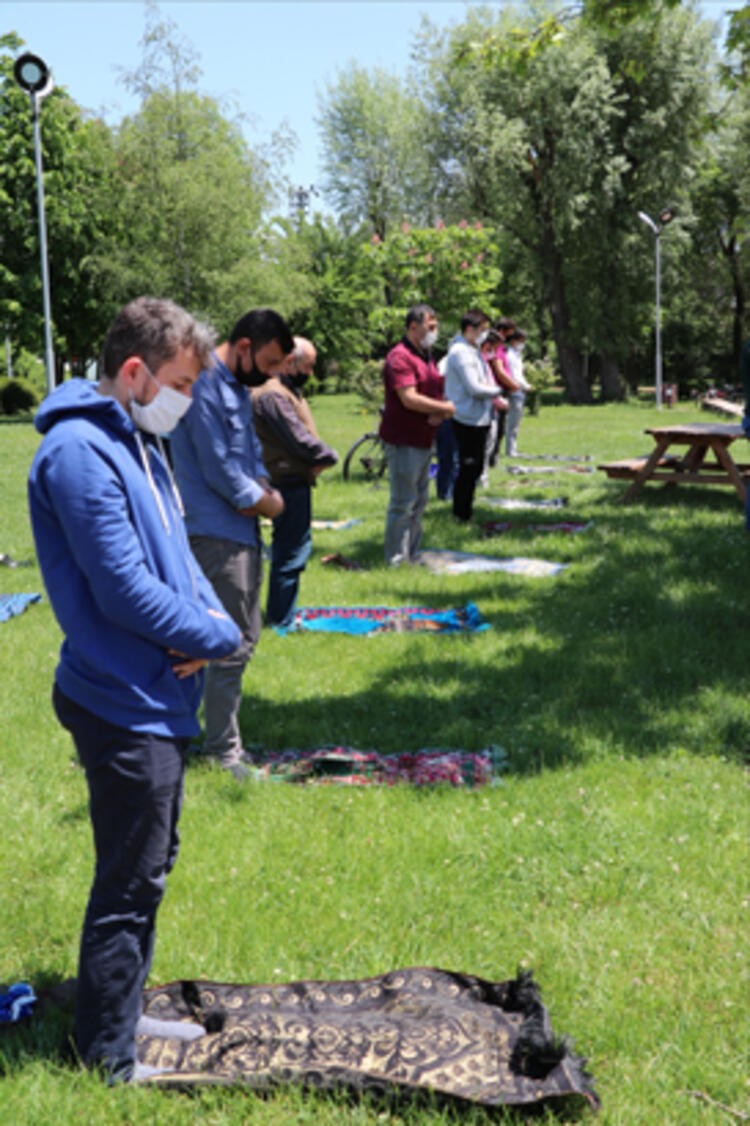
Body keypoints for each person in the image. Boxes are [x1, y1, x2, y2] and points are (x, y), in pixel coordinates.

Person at [27, 297, 242, 1083]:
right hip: (120, 697)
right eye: (181, 382)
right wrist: (215, 637)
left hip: (155, 691)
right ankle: (106, 1057)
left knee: (151, 862)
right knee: (129, 876)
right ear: (133, 372)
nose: (186, 399)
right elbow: (121, 592)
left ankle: (119, 1007)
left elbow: (174, 561)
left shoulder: (136, 440)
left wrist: (204, 617)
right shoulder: (81, 451)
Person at [170, 308, 293, 778]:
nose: (274, 372)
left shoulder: (237, 388)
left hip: (238, 532)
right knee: (229, 643)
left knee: (236, 638)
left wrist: (261, 487)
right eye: (270, 360)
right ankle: (223, 753)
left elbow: (248, 455)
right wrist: (267, 503)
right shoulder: (203, 385)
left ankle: (207, 741)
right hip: (216, 534)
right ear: (244, 347)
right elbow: (219, 466)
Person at [251, 336, 338, 627]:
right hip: (286, 482)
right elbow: (298, 439)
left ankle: (282, 614)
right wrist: (328, 457)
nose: (311, 374)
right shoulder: (273, 395)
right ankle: (280, 619)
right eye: (308, 366)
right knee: (290, 553)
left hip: (289, 478)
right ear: (290, 362)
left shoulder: (282, 390)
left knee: (291, 551)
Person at [379, 303, 455, 564]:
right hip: (404, 440)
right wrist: (443, 408)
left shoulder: (426, 354)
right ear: (414, 327)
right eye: (430, 326)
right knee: (403, 502)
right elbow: (409, 398)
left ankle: (411, 554)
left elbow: (428, 391)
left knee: (419, 502)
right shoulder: (400, 357)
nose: (436, 331)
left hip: (423, 439)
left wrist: (436, 410)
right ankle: (396, 560)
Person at [445, 309, 505, 522]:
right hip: (466, 417)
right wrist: (500, 391)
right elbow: (474, 388)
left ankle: (465, 510)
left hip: (479, 417)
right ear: (469, 329)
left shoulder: (472, 350)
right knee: (469, 466)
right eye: (482, 330)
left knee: (476, 467)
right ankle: (461, 513)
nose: (485, 334)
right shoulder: (461, 352)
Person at [504, 328, 532, 457]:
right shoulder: (510, 355)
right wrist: (525, 385)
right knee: (512, 423)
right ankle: (510, 450)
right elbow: (514, 375)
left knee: (515, 423)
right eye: (521, 341)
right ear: (513, 341)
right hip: (515, 392)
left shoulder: (516, 355)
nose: (522, 344)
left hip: (519, 391)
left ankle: (512, 448)